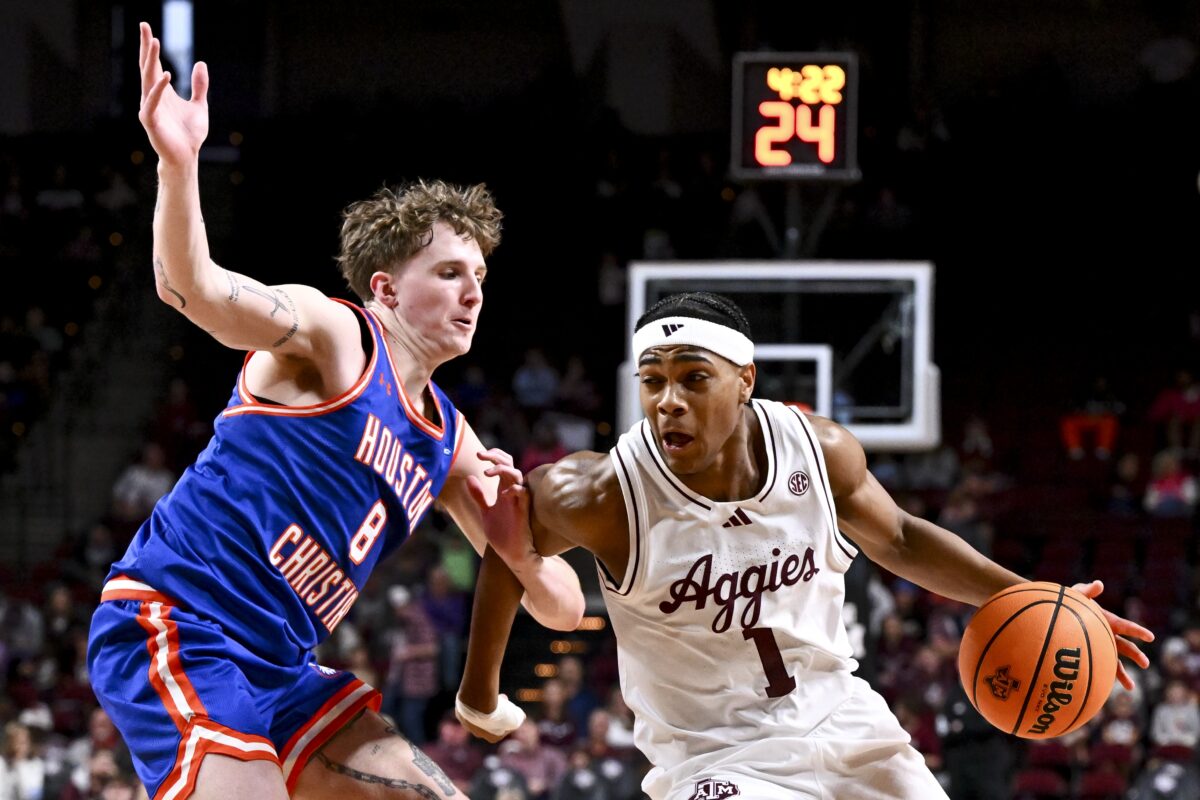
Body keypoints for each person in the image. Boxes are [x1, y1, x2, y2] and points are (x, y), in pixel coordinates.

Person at [85, 22, 585, 800]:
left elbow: (562, 607)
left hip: (282, 665)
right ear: (384, 289)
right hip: (179, 619)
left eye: (479, 274)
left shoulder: (449, 439)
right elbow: (192, 289)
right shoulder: (332, 334)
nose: (473, 292)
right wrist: (178, 166)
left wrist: (518, 547)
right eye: (449, 272)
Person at [454, 291, 1156, 800]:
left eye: (693, 378)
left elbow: (903, 537)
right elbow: (507, 553)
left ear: (745, 382)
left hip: (842, 717)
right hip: (714, 756)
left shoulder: (818, 451)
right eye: (653, 380)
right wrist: (479, 696)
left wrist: (1038, 599)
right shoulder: (602, 492)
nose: (668, 399)